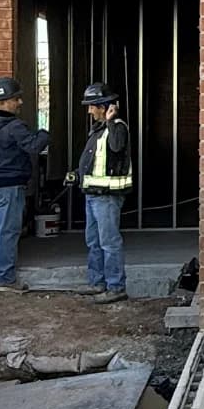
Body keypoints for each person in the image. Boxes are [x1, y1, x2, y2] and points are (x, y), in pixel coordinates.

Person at [0, 75, 49, 290]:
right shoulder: (13, 125)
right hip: (10, 186)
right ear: (5, 101)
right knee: (8, 232)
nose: (20, 103)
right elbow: (34, 146)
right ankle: (5, 279)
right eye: (17, 99)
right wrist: (45, 133)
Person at [71, 81, 133, 299]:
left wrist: (111, 120)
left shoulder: (117, 127)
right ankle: (97, 282)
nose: (89, 110)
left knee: (109, 242)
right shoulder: (98, 130)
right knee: (94, 241)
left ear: (105, 106)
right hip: (93, 193)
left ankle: (115, 287)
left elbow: (116, 148)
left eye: (92, 106)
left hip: (107, 197)